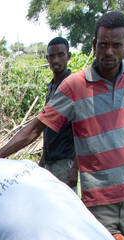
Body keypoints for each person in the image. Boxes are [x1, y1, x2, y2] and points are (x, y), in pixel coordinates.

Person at [0, 12, 124, 237]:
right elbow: (36, 128)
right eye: (103, 45)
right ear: (93, 45)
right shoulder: (74, 86)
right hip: (99, 198)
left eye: (116, 45)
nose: (109, 52)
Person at [40, 37, 77, 189]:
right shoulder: (52, 87)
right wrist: (43, 160)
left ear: (68, 56)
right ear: (47, 59)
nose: (56, 60)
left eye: (61, 55)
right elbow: (49, 127)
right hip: (51, 159)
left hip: (66, 160)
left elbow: (82, 131)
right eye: (52, 56)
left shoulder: (74, 86)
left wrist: (75, 168)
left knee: (66, 206)